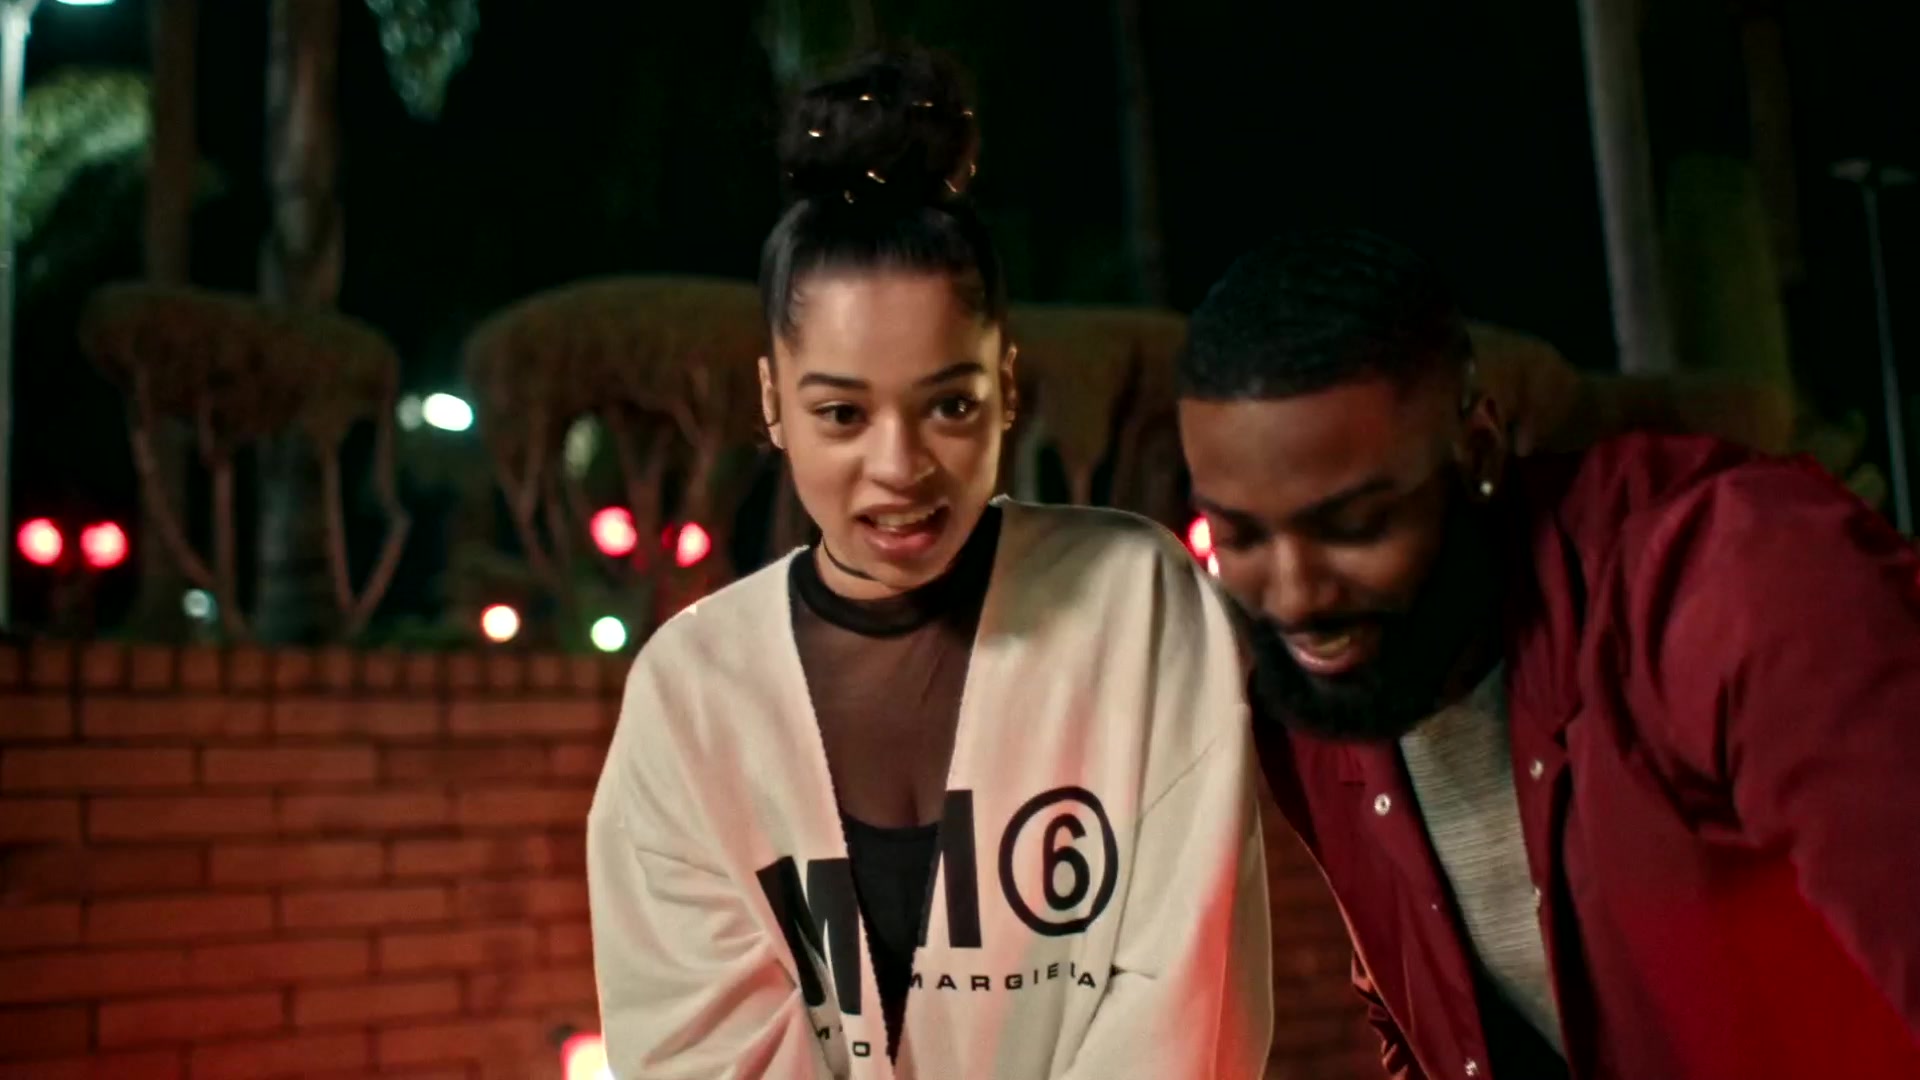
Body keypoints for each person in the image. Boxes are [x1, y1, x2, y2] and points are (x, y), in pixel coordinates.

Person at [587, 49, 1272, 1080]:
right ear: (772, 401)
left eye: (950, 404)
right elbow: (696, 1052)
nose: (900, 467)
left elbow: (1185, 1005)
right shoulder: (691, 697)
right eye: (841, 413)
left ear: (1007, 384)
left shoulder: (1135, 604)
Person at [1175, 227, 1920, 1080]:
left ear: (1478, 451)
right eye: (1240, 537)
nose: (1297, 595)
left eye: (1355, 526)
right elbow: (1415, 1014)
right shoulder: (1322, 696)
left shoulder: (1735, 585)